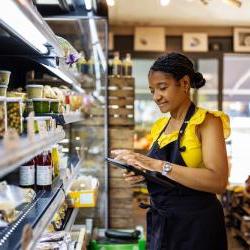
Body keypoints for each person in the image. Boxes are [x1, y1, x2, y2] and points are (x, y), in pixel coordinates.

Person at [112, 52, 230, 250]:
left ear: (184, 84)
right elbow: (167, 175)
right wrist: (145, 174)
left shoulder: (208, 122)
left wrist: (155, 164)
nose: (156, 97)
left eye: (162, 88)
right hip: (164, 223)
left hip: (197, 228)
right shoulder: (160, 126)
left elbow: (218, 182)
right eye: (152, 91)